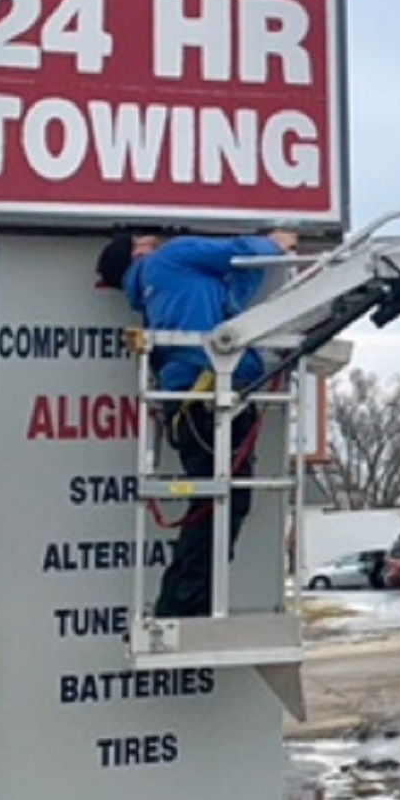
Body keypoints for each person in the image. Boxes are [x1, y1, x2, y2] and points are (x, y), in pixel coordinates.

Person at [96, 228, 298, 618]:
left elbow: (236, 290)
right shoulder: (171, 258)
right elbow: (243, 254)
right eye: (142, 238)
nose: (151, 237)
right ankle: (185, 607)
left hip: (194, 400)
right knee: (218, 507)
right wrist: (276, 242)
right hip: (210, 395)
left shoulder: (161, 285)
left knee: (214, 504)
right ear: (137, 252)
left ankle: (186, 602)